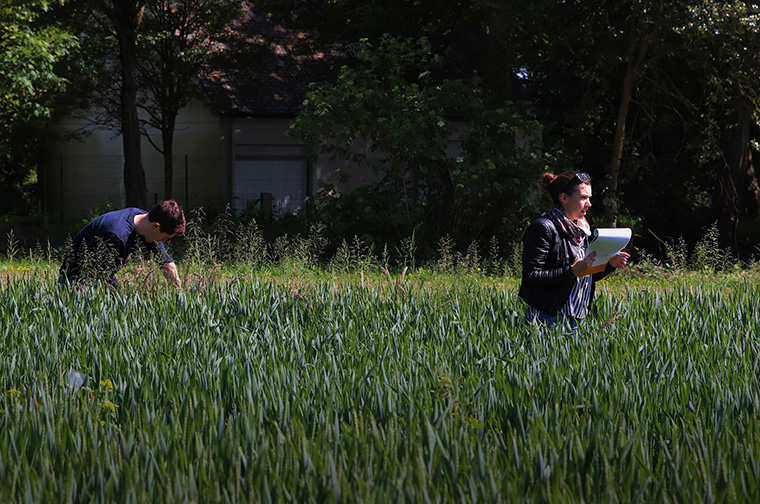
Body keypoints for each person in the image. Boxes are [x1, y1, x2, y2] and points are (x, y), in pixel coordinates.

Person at [518, 172, 628, 332]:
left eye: (589, 198)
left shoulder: (581, 229)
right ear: (564, 198)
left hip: (578, 319)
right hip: (549, 319)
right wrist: (571, 271)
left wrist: (610, 265)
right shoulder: (543, 227)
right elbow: (531, 276)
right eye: (583, 198)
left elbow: (583, 275)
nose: (589, 203)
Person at [59, 200, 185, 288]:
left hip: (101, 276)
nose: (162, 242)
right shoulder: (117, 235)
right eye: (164, 238)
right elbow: (101, 278)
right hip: (75, 281)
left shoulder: (145, 219)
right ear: (156, 226)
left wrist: (178, 290)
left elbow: (164, 261)